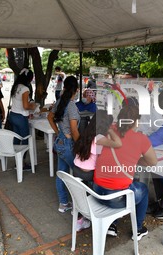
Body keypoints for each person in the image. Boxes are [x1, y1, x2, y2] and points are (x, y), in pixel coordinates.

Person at [93, 105, 158, 240]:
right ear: (136, 121)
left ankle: (112, 225)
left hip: (97, 192)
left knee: (122, 184)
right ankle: (138, 229)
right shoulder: (141, 139)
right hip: (115, 199)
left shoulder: (107, 131)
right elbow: (153, 162)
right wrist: (136, 160)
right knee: (142, 189)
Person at [73, 110, 122, 232]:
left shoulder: (87, 132)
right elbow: (118, 144)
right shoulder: (99, 138)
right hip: (88, 173)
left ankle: (80, 213)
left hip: (76, 169)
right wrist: (110, 130)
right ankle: (98, 210)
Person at [48, 76, 80, 213]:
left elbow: (49, 117)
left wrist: (58, 132)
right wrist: (81, 145)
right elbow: (74, 130)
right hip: (68, 143)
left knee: (61, 173)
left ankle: (63, 203)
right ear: (76, 90)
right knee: (81, 174)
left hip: (60, 140)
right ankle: (79, 206)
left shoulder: (60, 101)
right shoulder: (71, 106)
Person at [9, 68, 38, 147]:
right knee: (25, 138)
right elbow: (25, 106)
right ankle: (23, 157)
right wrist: (33, 106)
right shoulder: (25, 89)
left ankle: (16, 156)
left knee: (17, 137)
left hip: (13, 115)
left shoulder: (15, 86)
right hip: (21, 117)